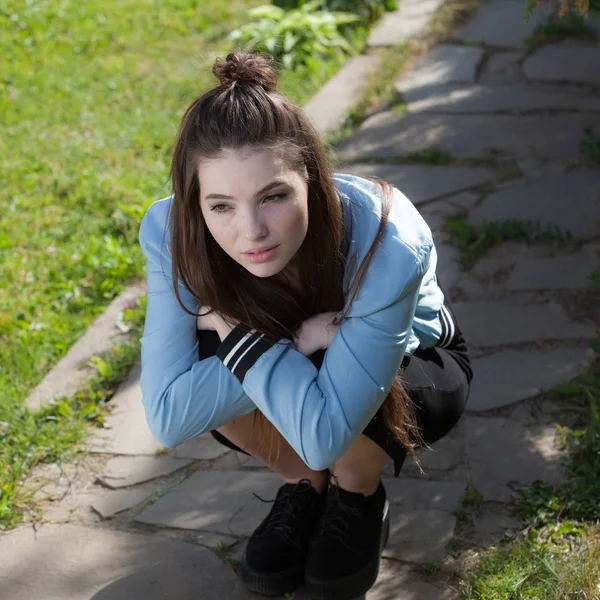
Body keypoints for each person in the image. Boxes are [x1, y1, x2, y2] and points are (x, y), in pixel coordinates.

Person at [138, 50, 472, 600]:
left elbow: (323, 435)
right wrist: (292, 337)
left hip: (415, 369)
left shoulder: (388, 242)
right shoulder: (170, 231)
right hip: (310, 353)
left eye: (273, 197)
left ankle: (357, 491)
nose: (252, 232)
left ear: (311, 180)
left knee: (253, 356)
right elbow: (170, 416)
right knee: (228, 350)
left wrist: (237, 332)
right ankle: (302, 482)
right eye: (221, 205)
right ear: (195, 203)